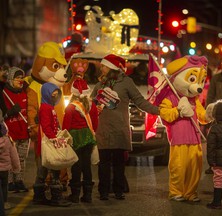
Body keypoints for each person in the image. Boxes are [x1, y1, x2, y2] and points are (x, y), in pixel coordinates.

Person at [90, 54, 159, 200]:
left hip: (119, 129)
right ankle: (103, 192)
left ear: (111, 67)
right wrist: (91, 106)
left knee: (119, 163)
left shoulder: (126, 82)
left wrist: (158, 111)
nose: (100, 68)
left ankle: (119, 191)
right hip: (103, 129)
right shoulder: (100, 84)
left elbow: (140, 101)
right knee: (103, 163)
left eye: (103, 65)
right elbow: (90, 104)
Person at [32, 82, 71, 207]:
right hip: (48, 144)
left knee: (43, 170)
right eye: (53, 93)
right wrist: (54, 139)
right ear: (46, 93)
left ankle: (39, 197)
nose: (55, 95)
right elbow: (46, 127)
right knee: (54, 170)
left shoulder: (48, 107)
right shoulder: (45, 108)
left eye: (56, 93)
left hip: (48, 143)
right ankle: (55, 197)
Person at [62, 78, 98, 203]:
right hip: (87, 136)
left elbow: (66, 126)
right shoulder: (91, 105)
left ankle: (75, 194)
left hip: (75, 137)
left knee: (76, 166)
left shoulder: (71, 107)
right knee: (86, 166)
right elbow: (95, 123)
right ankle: (87, 195)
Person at [3, 67, 29, 193]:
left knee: (21, 158)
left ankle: (19, 180)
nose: (20, 80)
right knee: (9, 159)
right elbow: (2, 115)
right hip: (10, 134)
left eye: (21, 77)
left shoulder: (25, 93)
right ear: (10, 79)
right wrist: (10, 112)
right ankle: (9, 182)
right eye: (17, 78)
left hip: (24, 132)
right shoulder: (3, 94)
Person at [0, 109, 21, 211]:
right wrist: (16, 169)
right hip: (4, 170)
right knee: (4, 186)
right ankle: (4, 203)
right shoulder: (8, 141)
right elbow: (14, 156)